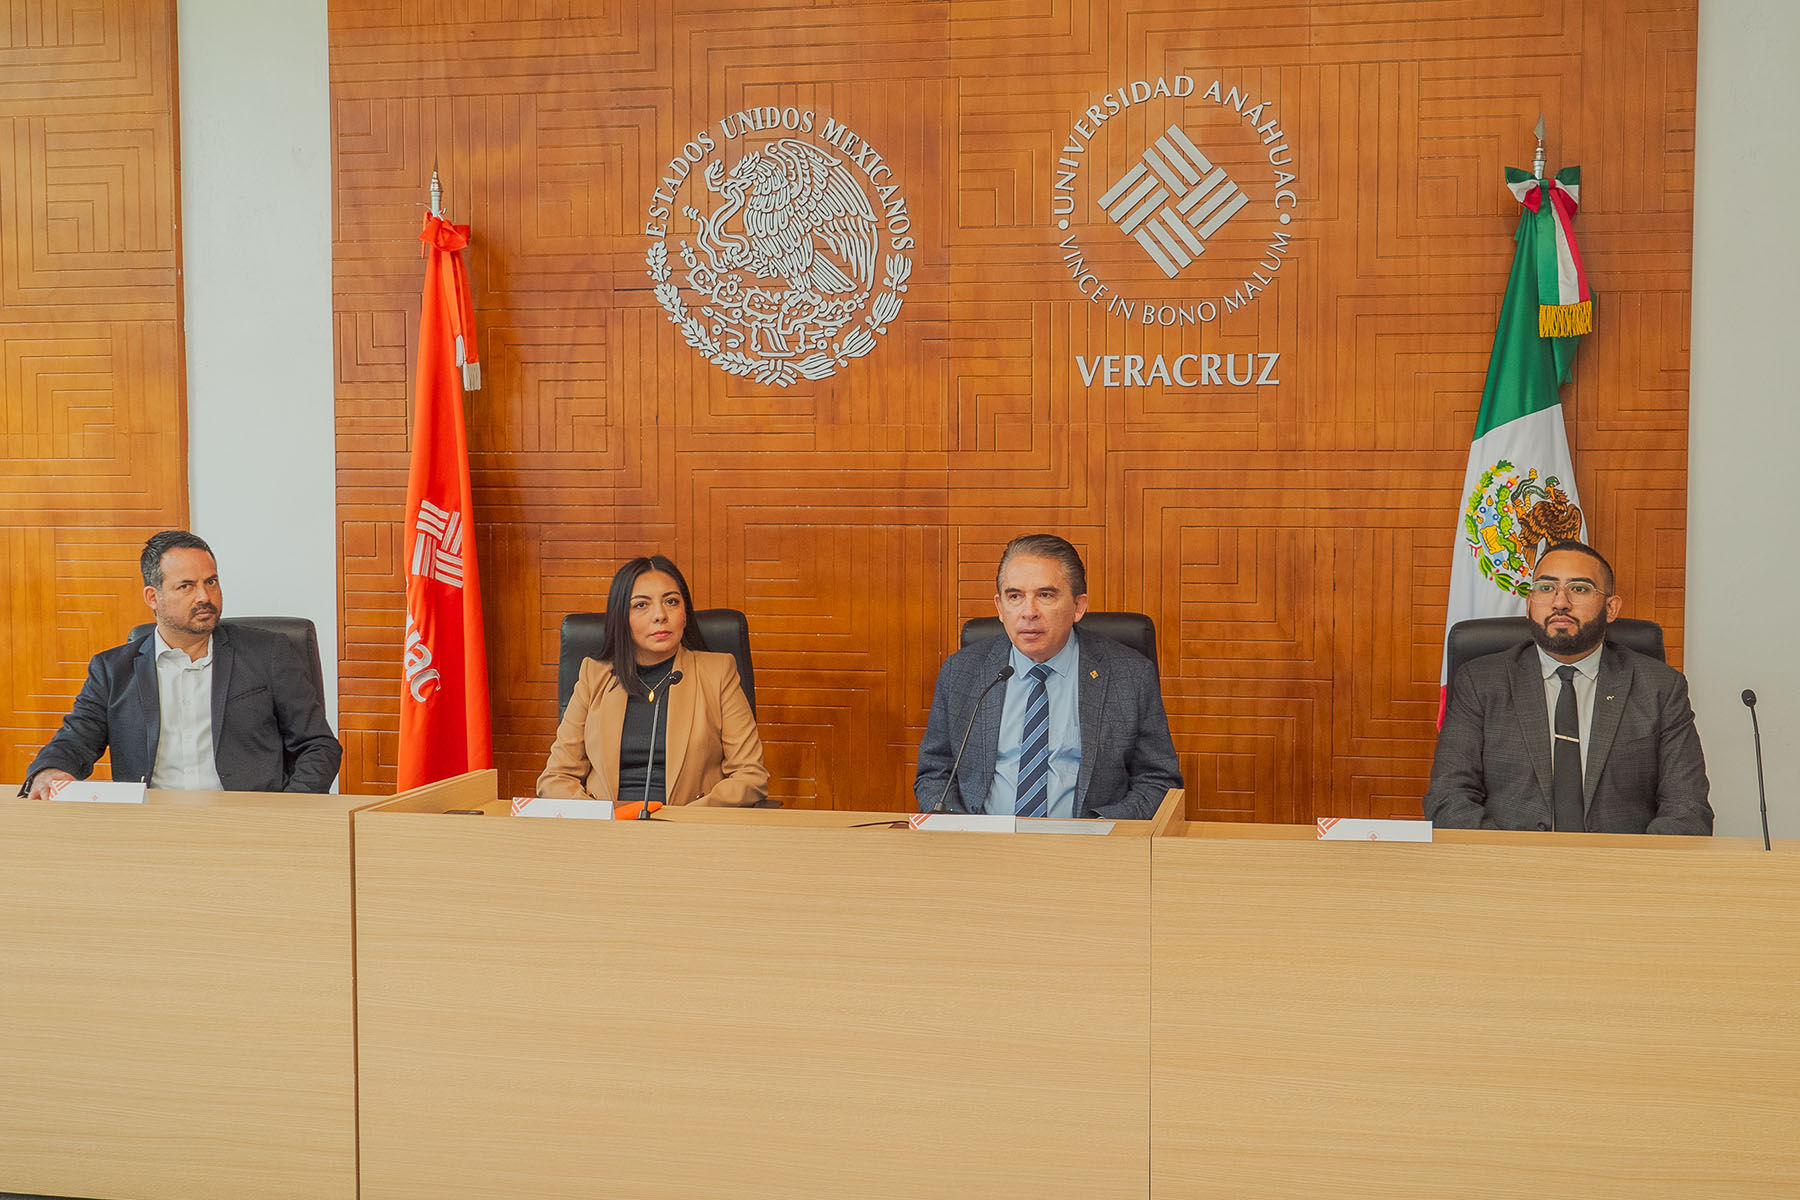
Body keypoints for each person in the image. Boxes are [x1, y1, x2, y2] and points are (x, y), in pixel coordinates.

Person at [22, 530, 342, 797]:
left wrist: (288, 811)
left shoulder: (268, 653)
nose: (205, 596)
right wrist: (50, 770)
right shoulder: (112, 671)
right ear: (153, 597)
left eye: (211, 582)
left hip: (249, 824)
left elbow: (318, 745)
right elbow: (76, 739)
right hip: (152, 828)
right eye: (186, 586)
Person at [1424, 540, 1712, 834]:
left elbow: (1686, 808)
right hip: (1509, 870)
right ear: (1529, 604)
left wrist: (1632, 873)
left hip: (1620, 871)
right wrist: (1510, 866)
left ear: (1610, 608)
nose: (1560, 602)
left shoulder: (1660, 687)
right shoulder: (1480, 681)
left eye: (1579, 588)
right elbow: (1450, 797)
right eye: (1546, 588)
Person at [914, 534, 1182, 820]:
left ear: (1078, 607)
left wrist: (1100, 829)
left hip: (1085, 852)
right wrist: (958, 825)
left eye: (1045, 595)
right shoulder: (962, 671)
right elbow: (935, 773)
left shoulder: (1129, 675)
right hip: (982, 848)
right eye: (1014, 596)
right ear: (999, 608)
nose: (1029, 612)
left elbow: (1158, 781)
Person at [537, 555, 768, 807]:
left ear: (685, 613)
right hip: (607, 832)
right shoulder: (594, 675)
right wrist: (599, 817)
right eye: (640, 605)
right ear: (620, 617)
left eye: (671, 602)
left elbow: (749, 776)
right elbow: (556, 777)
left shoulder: (718, 672)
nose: (660, 615)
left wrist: (688, 820)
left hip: (688, 830)